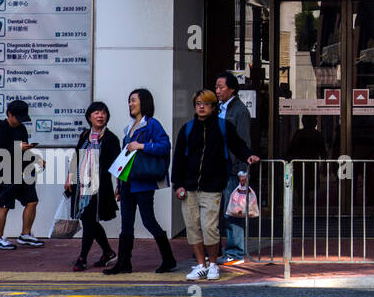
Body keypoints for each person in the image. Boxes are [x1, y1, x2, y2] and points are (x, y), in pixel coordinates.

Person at [174, 89, 259, 281]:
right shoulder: (187, 129)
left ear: (213, 107)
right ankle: (201, 264)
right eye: (198, 103)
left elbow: (238, 144)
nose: (201, 107)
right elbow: (178, 158)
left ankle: (213, 264)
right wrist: (178, 185)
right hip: (189, 188)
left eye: (206, 104)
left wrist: (248, 156)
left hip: (212, 187)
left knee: (209, 227)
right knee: (192, 227)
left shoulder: (223, 126)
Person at [104, 88, 177, 275]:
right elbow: (124, 159)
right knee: (126, 223)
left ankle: (168, 259)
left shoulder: (152, 124)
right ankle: (123, 263)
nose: (130, 104)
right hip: (129, 182)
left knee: (148, 221)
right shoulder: (130, 127)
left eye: (133, 100)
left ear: (144, 102)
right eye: (129, 101)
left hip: (144, 182)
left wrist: (141, 145)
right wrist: (119, 185)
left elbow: (165, 146)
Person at [65, 102, 121, 270]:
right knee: (89, 221)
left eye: (103, 113)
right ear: (89, 117)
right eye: (96, 113)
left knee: (89, 222)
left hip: (99, 187)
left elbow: (118, 164)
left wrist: (120, 185)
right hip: (81, 187)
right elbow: (76, 157)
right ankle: (108, 252)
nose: (100, 115)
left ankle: (82, 258)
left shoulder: (111, 139)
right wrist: (69, 177)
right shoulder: (84, 135)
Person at [213, 72, 252, 266]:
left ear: (232, 89)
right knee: (219, 211)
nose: (217, 90)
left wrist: (242, 170)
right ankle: (219, 249)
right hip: (218, 167)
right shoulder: (218, 108)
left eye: (221, 87)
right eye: (217, 87)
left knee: (233, 211)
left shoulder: (239, 111)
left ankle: (235, 252)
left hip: (233, 168)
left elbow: (243, 141)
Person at [0, 99, 43, 249]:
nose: (20, 121)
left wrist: (37, 158)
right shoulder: (0, 129)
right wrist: (17, 148)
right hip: (4, 172)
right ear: (9, 114)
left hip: (23, 171)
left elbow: (24, 149)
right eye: (18, 118)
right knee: (4, 205)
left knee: (32, 201)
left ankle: (25, 234)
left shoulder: (21, 129)